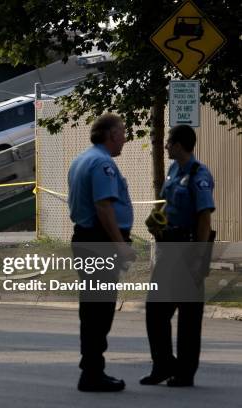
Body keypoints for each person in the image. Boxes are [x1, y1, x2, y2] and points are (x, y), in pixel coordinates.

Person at [141, 125, 215, 387]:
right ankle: (162, 365)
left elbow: (204, 218)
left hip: (189, 248)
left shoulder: (199, 174)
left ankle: (184, 372)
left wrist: (199, 258)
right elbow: (166, 206)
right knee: (155, 311)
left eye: (169, 141)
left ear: (180, 145)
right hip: (169, 248)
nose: (165, 145)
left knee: (188, 316)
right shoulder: (173, 171)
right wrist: (155, 222)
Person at [68, 113, 136, 392]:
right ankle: (93, 372)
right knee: (101, 309)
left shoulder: (82, 159)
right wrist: (120, 245)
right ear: (110, 135)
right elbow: (104, 207)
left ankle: (92, 368)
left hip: (88, 240)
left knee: (92, 308)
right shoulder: (102, 163)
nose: (124, 138)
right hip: (100, 242)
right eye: (121, 133)